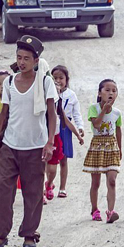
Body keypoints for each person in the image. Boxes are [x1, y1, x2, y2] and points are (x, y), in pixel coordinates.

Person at [0, 35, 58, 247]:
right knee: (4, 191)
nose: (22, 62)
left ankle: (29, 233)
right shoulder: (10, 81)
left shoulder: (45, 82)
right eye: (19, 57)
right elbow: (4, 113)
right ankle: (0, 236)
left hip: (35, 147)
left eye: (26, 58)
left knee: (32, 193)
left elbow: (51, 114)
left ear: (36, 61)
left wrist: (49, 143)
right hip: (10, 145)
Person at [83, 79, 122, 224]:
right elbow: (97, 125)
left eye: (114, 90)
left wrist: (120, 148)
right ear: (99, 93)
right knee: (96, 182)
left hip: (111, 146)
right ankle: (95, 209)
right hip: (97, 145)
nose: (111, 93)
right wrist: (104, 110)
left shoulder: (117, 113)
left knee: (112, 180)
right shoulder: (94, 108)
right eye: (107, 90)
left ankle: (110, 212)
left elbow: (118, 130)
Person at [44, 67, 84, 202]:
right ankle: (48, 183)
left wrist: (80, 129)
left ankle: (62, 187)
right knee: (47, 158)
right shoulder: (48, 94)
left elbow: (75, 114)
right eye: (54, 78)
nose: (58, 81)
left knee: (64, 159)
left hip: (64, 129)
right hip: (49, 129)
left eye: (61, 78)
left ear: (67, 80)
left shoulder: (71, 95)